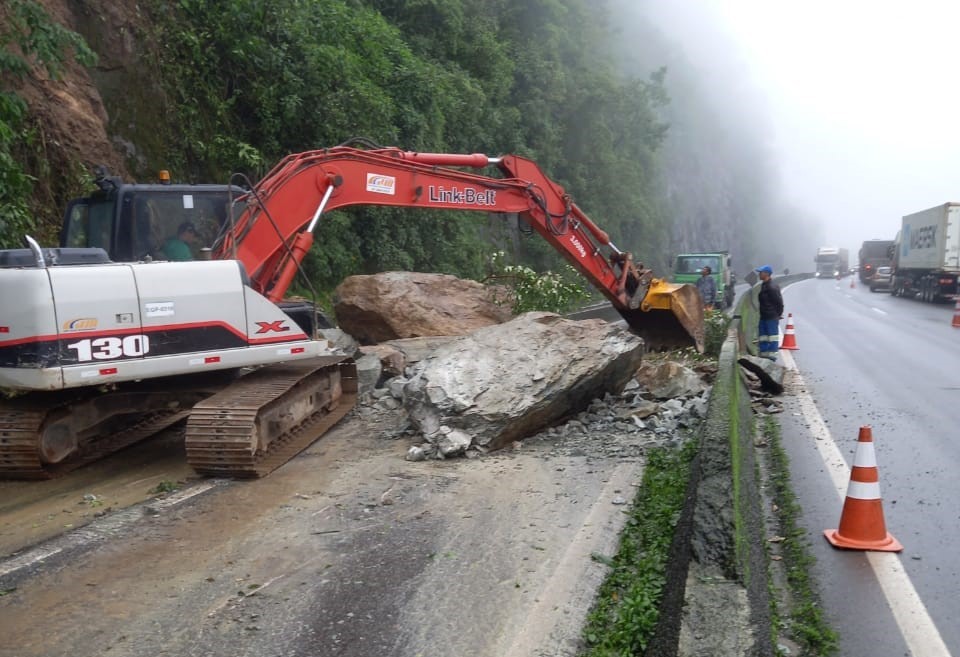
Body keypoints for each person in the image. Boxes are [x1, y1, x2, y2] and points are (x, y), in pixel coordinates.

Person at [755, 265, 784, 360]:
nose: (759, 274)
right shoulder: (764, 285)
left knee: (772, 338)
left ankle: (771, 359)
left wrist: (778, 315)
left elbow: (779, 303)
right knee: (763, 337)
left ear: (766, 274)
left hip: (771, 317)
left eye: (761, 272)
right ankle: (764, 357)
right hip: (763, 317)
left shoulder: (772, 287)